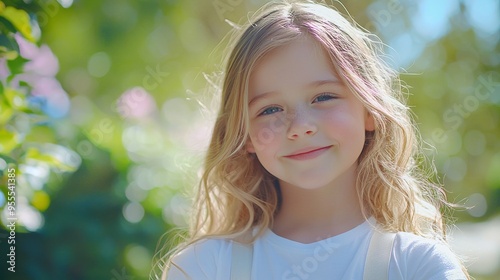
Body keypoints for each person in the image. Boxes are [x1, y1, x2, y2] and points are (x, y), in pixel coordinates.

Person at [159, 0, 469, 279]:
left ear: (369, 111)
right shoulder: (203, 267)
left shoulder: (419, 266)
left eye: (323, 97)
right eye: (270, 109)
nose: (300, 127)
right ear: (245, 136)